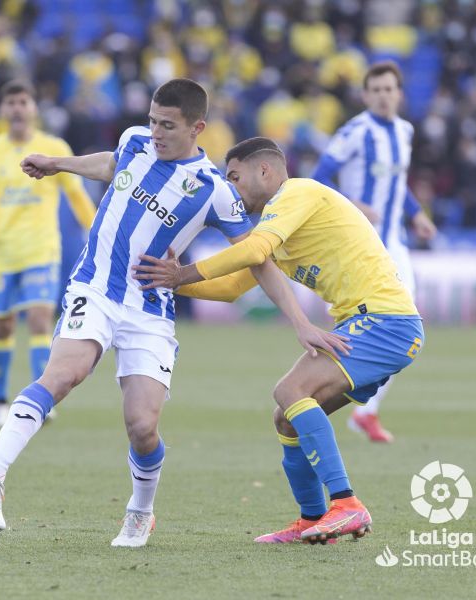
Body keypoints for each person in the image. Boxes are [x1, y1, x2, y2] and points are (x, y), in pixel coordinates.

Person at [0, 79, 347, 547]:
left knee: (143, 426)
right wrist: (59, 164)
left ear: (196, 128)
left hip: (149, 309)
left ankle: (140, 513)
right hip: (96, 286)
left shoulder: (212, 190)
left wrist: (301, 321)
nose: (156, 132)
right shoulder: (134, 141)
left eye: (167, 125)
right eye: (152, 120)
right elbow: (110, 164)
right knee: (65, 374)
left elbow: (257, 258)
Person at [134, 137, 424, 544]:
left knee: (290, 389)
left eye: (234, 177)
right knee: (286, 415)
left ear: (264, 171)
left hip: (384, 321)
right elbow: (237, 283)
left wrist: (183, 274)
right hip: (373, 325)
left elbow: (253, 250)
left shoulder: (297, 192)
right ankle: (312, 519)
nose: (230, 189)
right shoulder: (281, 222)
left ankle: (347, 505)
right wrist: (169, 282)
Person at [0, 79, 96, 427]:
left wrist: (93, 226)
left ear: (34, 109)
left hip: (41, 249)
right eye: (11, 103)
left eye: (23, 102)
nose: (17, 108)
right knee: (2, 326)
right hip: (2, 253)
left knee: (39, 319)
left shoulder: (52, 147)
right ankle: (0, 400)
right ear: (3, 111)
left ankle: (40, 399)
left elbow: (76, 194)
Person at [312, 61, 437, 443]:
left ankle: (365, 410)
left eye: (390, 89)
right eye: (376, 90)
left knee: (405, 324)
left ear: (399, 94)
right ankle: (331, 391)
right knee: (371, 324)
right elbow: (317, 178)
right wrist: (353, 203)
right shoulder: (355, 131)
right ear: (366, 96)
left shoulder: (404, 131)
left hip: (394, 242)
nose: (384, 96)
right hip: (361, 245)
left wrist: (417, 214)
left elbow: (397, 185)